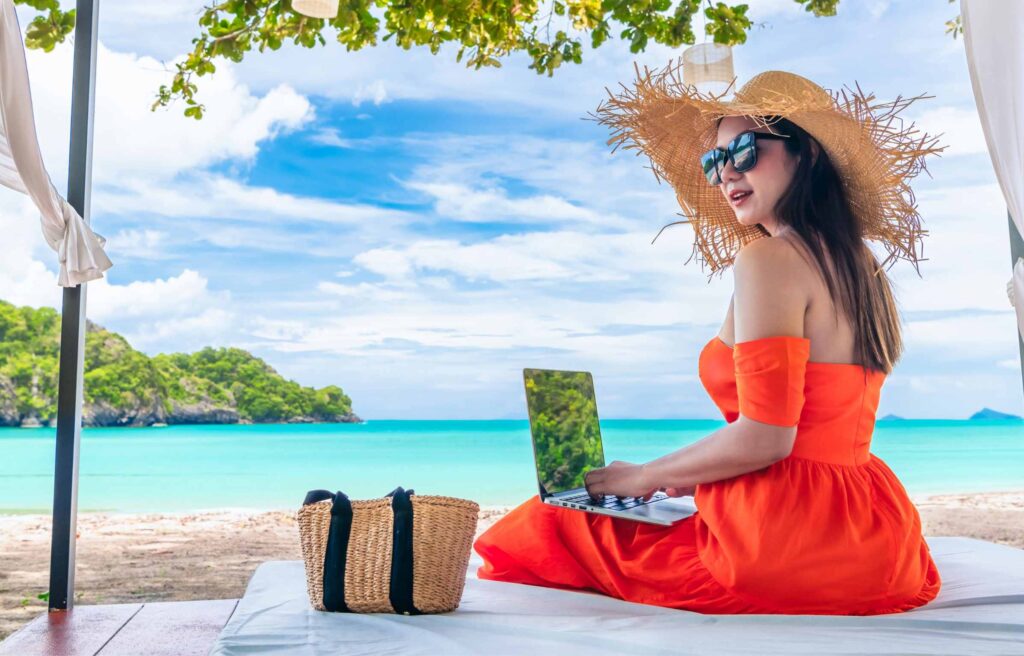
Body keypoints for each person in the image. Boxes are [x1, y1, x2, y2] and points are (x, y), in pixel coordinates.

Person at [472, 65, 946, 615]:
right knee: (622, 511)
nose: (725, 174)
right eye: (715, 160)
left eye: (743, 150)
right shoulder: (860, 265)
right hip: (875, 540)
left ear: (808, 153)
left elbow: (769, 439)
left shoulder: (769, 260)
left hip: (783, 545)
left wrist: (644, 476)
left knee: (541, 525)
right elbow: (814, 433)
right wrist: (686, 480)